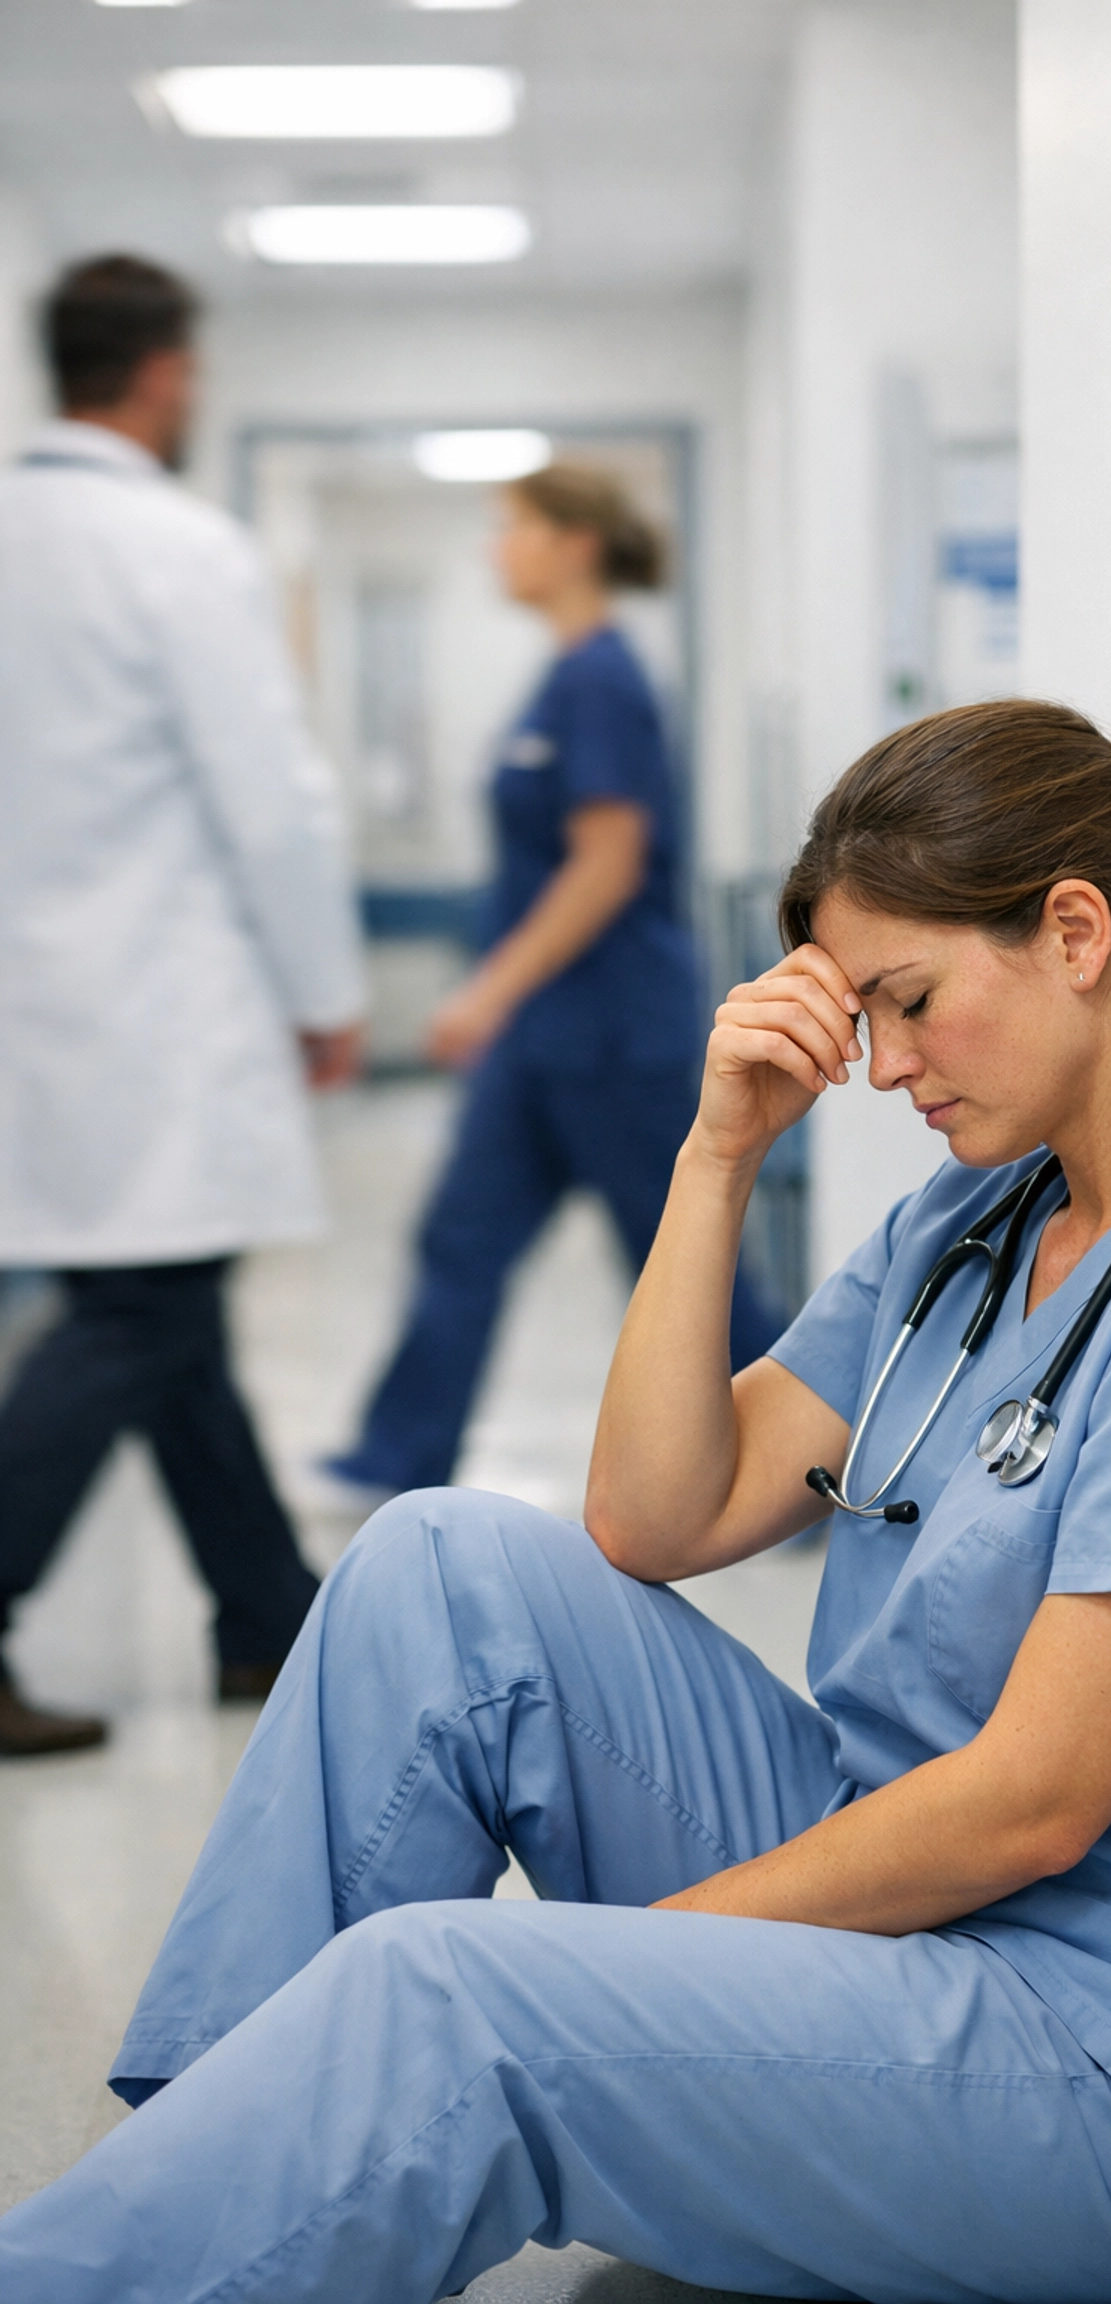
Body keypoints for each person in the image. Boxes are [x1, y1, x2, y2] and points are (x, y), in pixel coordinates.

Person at [0, 700, 1111, 2304]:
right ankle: (214, 2182)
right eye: (862, 1016)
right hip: (909, 1895)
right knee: (438, 1565)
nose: (880, 1068)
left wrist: (655, 1957)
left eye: (913, 1003)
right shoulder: (981, 1216)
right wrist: (716, 1153)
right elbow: (655, 1521)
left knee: (470, 1992)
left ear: (1075, 933)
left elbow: (1035, 1806)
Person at [0, 255, 365, 1755]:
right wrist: (325, 991)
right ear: (161, 374)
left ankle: (261, 1622)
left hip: (46, 1005)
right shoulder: (174, 548)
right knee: (139, 1312)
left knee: (169, 1311)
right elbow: (268, 805)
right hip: (154, 1000)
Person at [327, 461, 779, 1497]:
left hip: (618, 1038)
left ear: (575, 543)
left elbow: (609, 860)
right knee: (462, 1239)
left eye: (513, 528)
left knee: (683, 1261)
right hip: (546, 1039)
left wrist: (485, 990)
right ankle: (398, 1455)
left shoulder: (603, 680)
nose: (498, 549)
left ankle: (788, 1470)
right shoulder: (565, 673)